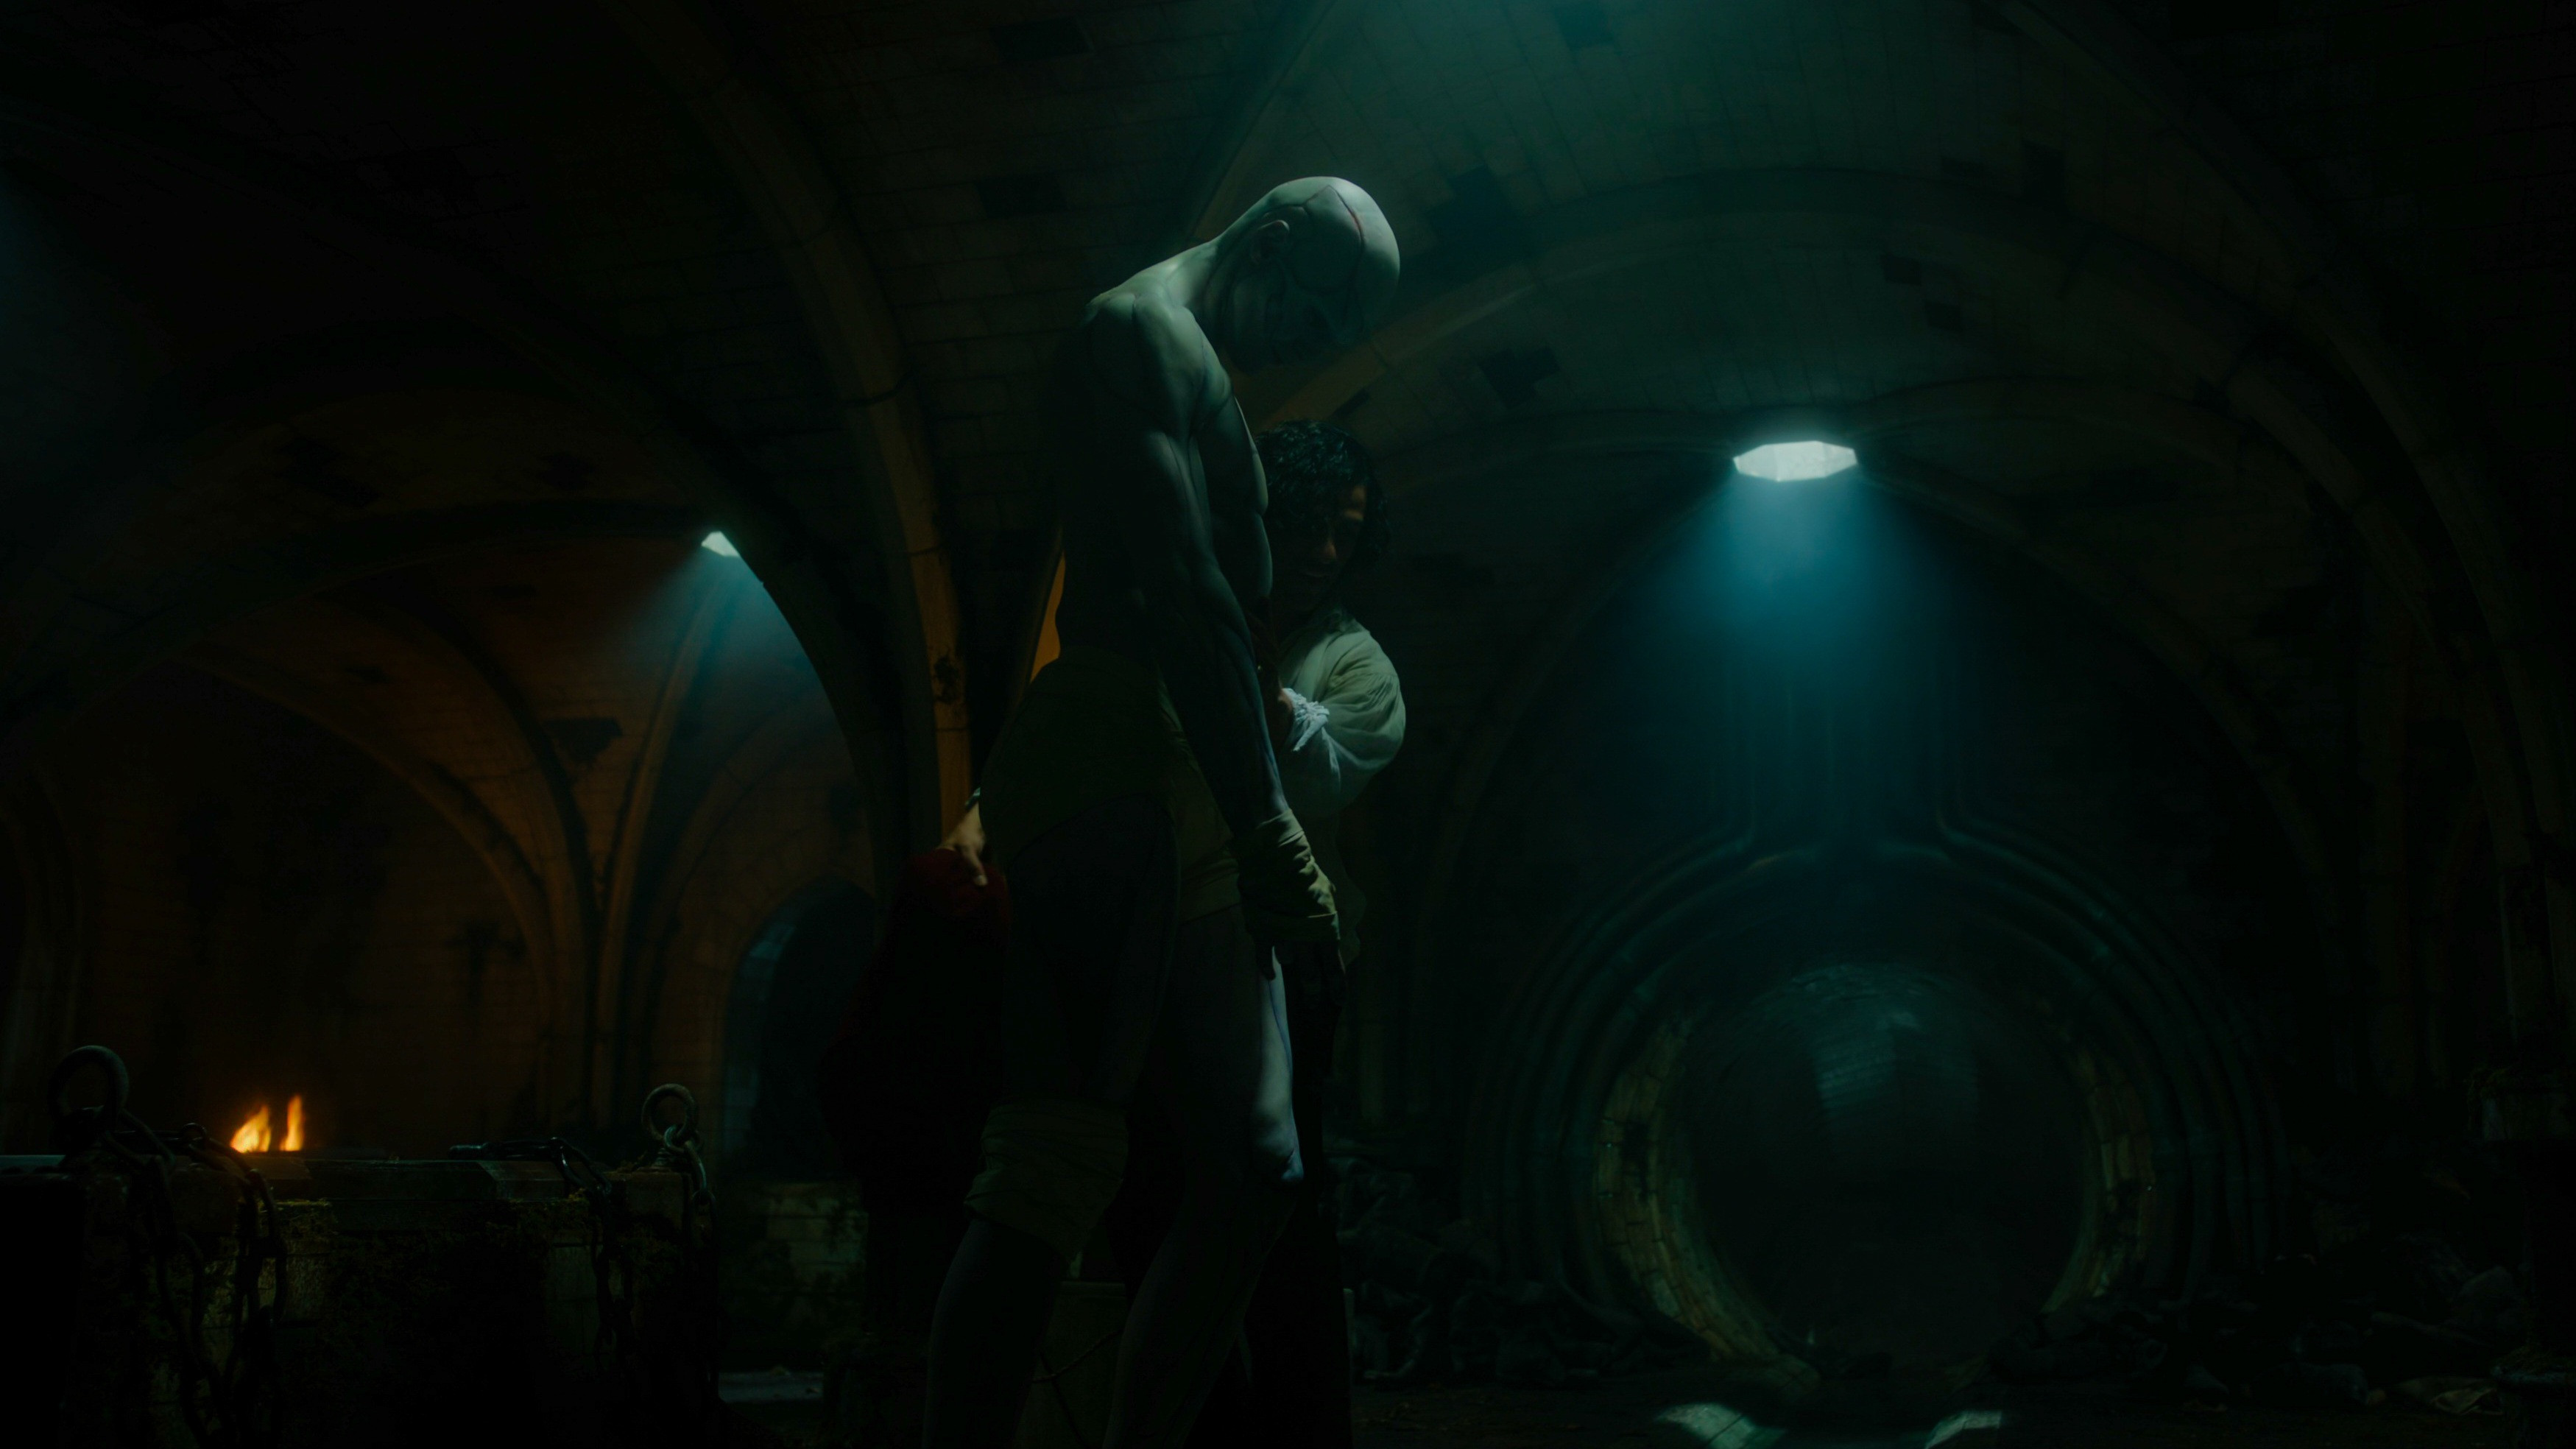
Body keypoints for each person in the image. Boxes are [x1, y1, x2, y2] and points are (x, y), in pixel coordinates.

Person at [920, 178, 1400, 1449]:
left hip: (1189, 765)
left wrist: (1251, 815)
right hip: (1117, 753)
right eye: (1310, 320)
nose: (1303, 351)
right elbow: (1185, 595)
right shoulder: (1136, 332)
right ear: (1272, 242)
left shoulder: (1204, 370)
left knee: (1260, 1165)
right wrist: (1268, 825)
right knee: (1052, 1166)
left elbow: (1213, 610)